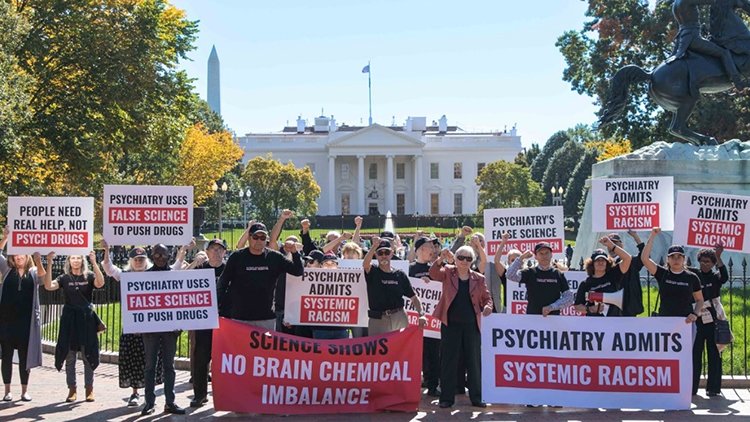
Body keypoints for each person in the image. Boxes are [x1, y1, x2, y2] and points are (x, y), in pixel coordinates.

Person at [101, 241, 163, 407]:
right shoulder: (125, 276)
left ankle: (150, 394)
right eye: (135, 259)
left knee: (150, 361)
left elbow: (174, 269)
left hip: (150, 326)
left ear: (146, 260)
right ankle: (135, 393)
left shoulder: (154, 274)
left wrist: (183, 251)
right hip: (132, 327)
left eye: (141, 259)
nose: (138, 262)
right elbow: (108, 268)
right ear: (131, 261)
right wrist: (106, 250)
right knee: (133, 360)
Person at [429, 246, 492, 409]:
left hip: (472, 325)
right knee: (448, 361)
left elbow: (487, 298)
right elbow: (433, 273)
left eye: (468, 258)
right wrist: (440, 258)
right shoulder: (448, 272)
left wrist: (488, 306)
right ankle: (446, 398)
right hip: (450, 324)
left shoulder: (479, 278)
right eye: (461, 258)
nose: (464, 261)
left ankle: (477, 397)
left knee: (474, 362)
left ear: (472, 261)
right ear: (455, 259)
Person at [43, 251, 105, 403]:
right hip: (70, 320)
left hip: (86, 320)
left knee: (87, 355)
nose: (76, 261)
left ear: (82, 260)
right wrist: (49, 263)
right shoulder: (64, 278)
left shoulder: (89, 276)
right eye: (73, 258)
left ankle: (89, 389)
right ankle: (72, 389)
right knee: (70, 356)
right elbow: (48, 286)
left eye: (78, 258)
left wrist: (94, 262)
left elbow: (100, 283)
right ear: (69, 261)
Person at [218, 222, 304, 330]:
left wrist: (295, 253)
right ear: (249, 238)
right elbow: (223, 282)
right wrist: (218, 307)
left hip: (266, 318)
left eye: (262, 238)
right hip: (240, 317)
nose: (259, 240)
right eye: (255, 237)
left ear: (266, 239)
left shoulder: (274, 257)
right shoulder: (237, 257)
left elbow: (298, 271)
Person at [139, 244, 186, 415]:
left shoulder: (175, 276)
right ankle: (149, 402)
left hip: (170, 329)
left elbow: (181, 301)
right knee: (150, 366)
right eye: (157, 255)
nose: (160, 258)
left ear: (169, 256)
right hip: (150, 329)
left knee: (169, 366)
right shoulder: (144, 277)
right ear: (152, 256)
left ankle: (170, 402)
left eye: (163, 255)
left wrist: (180, 324)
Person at [0, 227, 45, 402]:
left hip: (26, 324)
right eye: (15, 254)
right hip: (6, 323)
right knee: (6, 357)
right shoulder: (7, 270)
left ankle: (24, 391)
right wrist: (5, 238)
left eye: (22, 254)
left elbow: (43, 278)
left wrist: (39, 261)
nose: (18, 257)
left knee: (24, 358)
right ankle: (7, 390)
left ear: (27, 256)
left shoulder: (32, 273)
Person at [668, 0, 749, 89]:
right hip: (693, 38)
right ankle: (737, 82)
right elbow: (713, 1)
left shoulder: (676, 4)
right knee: (724, 53)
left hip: (683, 36)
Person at [362, 237, 426, 335]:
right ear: (376, 255)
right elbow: (365, 264)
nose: (384, 256)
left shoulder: (400, 275)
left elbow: (414, 297)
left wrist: (421, 314)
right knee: (378, 345)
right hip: (378, 319)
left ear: (392, 254)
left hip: (399, 316)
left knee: (402, 344)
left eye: (387, 253)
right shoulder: (373, 271)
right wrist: (374, 246)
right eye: (380, 253)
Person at [191, 239, 227, 408]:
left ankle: (224, 395)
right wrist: (193, 263)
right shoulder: (200, 268)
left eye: (220, 249)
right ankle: (200, 395)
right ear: (207, 252)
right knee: (201, 358)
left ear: (224, 252)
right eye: (213, 249)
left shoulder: (229, 269)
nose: (216, 252)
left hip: (224, 321)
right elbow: (178, 280)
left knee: (224, 360)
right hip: (204, 321)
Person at [688, 245, 728, 397]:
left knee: (714, 353)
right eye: (702, 261)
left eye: (708, 262)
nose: (705, 264)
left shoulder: (715, 277)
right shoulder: (694, 275)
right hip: (696, 318)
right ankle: (692, 388)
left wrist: (718, 256)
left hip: (713, 319)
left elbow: (724, 277)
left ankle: (713, 388)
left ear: (713, 263)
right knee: (695, 353)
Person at [642, 227, 704, 322]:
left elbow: (700, 300)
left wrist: (695, 314)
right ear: (668, 259)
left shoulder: (692, 277)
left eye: (679, 257)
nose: (676, 260)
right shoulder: (662, 273)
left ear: (684, 259)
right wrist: (653, 236)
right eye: (673, 257)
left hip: (685, 322)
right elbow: (644, 259)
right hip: (665, 321)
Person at [409, 236, 441, 398]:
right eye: (430, 247)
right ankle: (413, 385)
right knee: (415, 354)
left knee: (433, 353)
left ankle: (433, 385)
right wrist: (418, 282)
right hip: (414, 320)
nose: (433, 250)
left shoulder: (435, 269)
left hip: (432, 321)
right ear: (421, 249)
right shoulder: (409, 269)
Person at [506, 242, 574, 316]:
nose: (544, 256)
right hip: (533, 318)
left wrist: (551, 307)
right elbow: (509, 275)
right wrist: (521, 257)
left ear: (551, 255)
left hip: (553, 319)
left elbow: (569, 298)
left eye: (547, 253)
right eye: (541, 253)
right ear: (536, 256)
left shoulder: (558, 274)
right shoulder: (530, 272)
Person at [574, 237, 632, 316]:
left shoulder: (613, 275)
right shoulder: (585, 284)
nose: (600, 262)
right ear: (592, 264)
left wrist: (611, 245)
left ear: (607, 263)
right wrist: (590, 309)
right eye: (597, 260)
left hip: (613, 319)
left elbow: (627, 259)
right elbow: (577, 306)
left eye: (603, 260)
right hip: (593, 321)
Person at [609, 230, 646, 316]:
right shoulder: (605, 264)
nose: (612, 247)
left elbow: (645, 257)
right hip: (612, 308)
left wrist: (636, 237)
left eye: (615, 244)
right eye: (610, 244)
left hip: (629, 306)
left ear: (621, 245)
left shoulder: (632, 261)